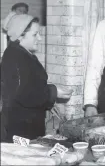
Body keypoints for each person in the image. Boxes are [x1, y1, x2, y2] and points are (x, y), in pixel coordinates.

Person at [1, 14, 72, 142]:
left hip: (28, 125)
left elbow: (30, 84)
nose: (39, 38)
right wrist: (54, 92)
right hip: (19, 130)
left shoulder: (23, 54)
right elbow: (24, 93)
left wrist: (50, 90)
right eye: (35, 34)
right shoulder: (14, 57)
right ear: (20, 36)